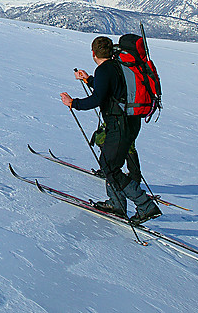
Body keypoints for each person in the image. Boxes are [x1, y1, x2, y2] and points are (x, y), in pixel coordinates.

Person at [60, 36, 161, 225]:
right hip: (131, 122)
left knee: (110, 167)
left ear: (93, 53)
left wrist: (73, 103)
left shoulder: (105, 69)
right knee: (110, 162)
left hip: (118, 124)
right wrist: (89, 79)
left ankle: (145, 206)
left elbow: (97, 99)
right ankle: (117, 204)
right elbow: (111, 91)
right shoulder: (118, 65)